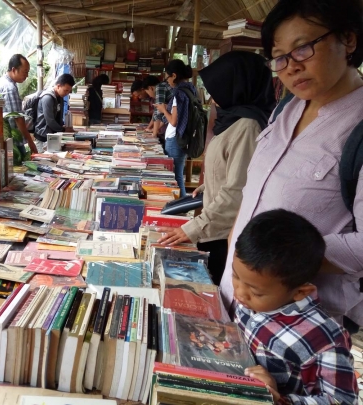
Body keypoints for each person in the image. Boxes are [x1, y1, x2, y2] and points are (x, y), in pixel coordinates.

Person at [219, 0, 363, 332]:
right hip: (236, 300)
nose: (290, 67)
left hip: (295, 333)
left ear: (349, 40)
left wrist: (281, 260)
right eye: (280, 57)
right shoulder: (285, 110)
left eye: (303, 49)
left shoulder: (358, 131)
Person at [156, 51, 276, 285]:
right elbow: (234, 169)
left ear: (237, 86)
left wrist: (193, 228)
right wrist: (207, 185)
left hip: (224, 233)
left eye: (217, 90)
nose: (211, 99)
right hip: (215, 222)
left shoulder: (247, 126)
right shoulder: (234, 118)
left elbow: (237, 191)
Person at [232, 209, 358, 404]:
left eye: (256, 292)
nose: (240, 293)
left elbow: (342, 400)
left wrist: (280, 400)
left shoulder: (324, 341)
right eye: (235, 276)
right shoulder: (249, 301)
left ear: (300, 292)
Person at [155, 59, 195, 196]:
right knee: (177, 176)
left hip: (175, 139)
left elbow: (173, 121)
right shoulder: (191, 89)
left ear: (174, 75)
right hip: (183, 137)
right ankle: (180, 208)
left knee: (176, 177)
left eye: (167, 77)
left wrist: (163, 109)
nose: (167, 81)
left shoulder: (179, 93)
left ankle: (180, 209)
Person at [0, 54, 38, 154]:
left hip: (9, 138)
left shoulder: (2, 81)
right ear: (14, 70)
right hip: (13, 141)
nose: (27, 75)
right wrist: (31, 142)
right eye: (25, 72)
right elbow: (18, 118)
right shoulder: (9, 88)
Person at [34, 73, 75, 151]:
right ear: (58, 86)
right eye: (65, 90)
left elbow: (58, 116)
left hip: (53, 135)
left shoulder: (60, 97)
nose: (67, 93)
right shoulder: (47, 98)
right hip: (43, 136)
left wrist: (63, 126)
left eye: (69, 91)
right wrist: (63, 129)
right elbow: (50, 120)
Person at [142, 75, 173, 143]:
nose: (149, 95)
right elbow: (157, 112)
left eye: (148, 92)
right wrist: (151, 129)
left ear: (150, 88)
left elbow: (158, 112)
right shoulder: (163, 86)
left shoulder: (159, 87)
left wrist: (154, 134)